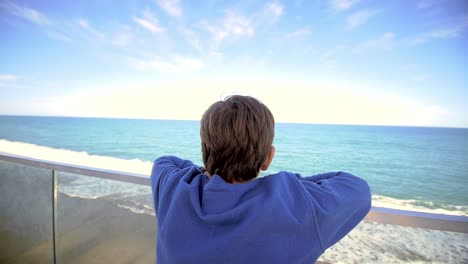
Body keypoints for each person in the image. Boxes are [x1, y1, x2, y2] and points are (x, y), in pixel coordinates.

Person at [151, 95, 371, 264]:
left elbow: (165, 161)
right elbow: (357, 188)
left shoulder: (173, 187)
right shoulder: (296, 208)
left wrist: (210, 168)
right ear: (268, 159)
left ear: (204, 150)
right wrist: (287, 185)